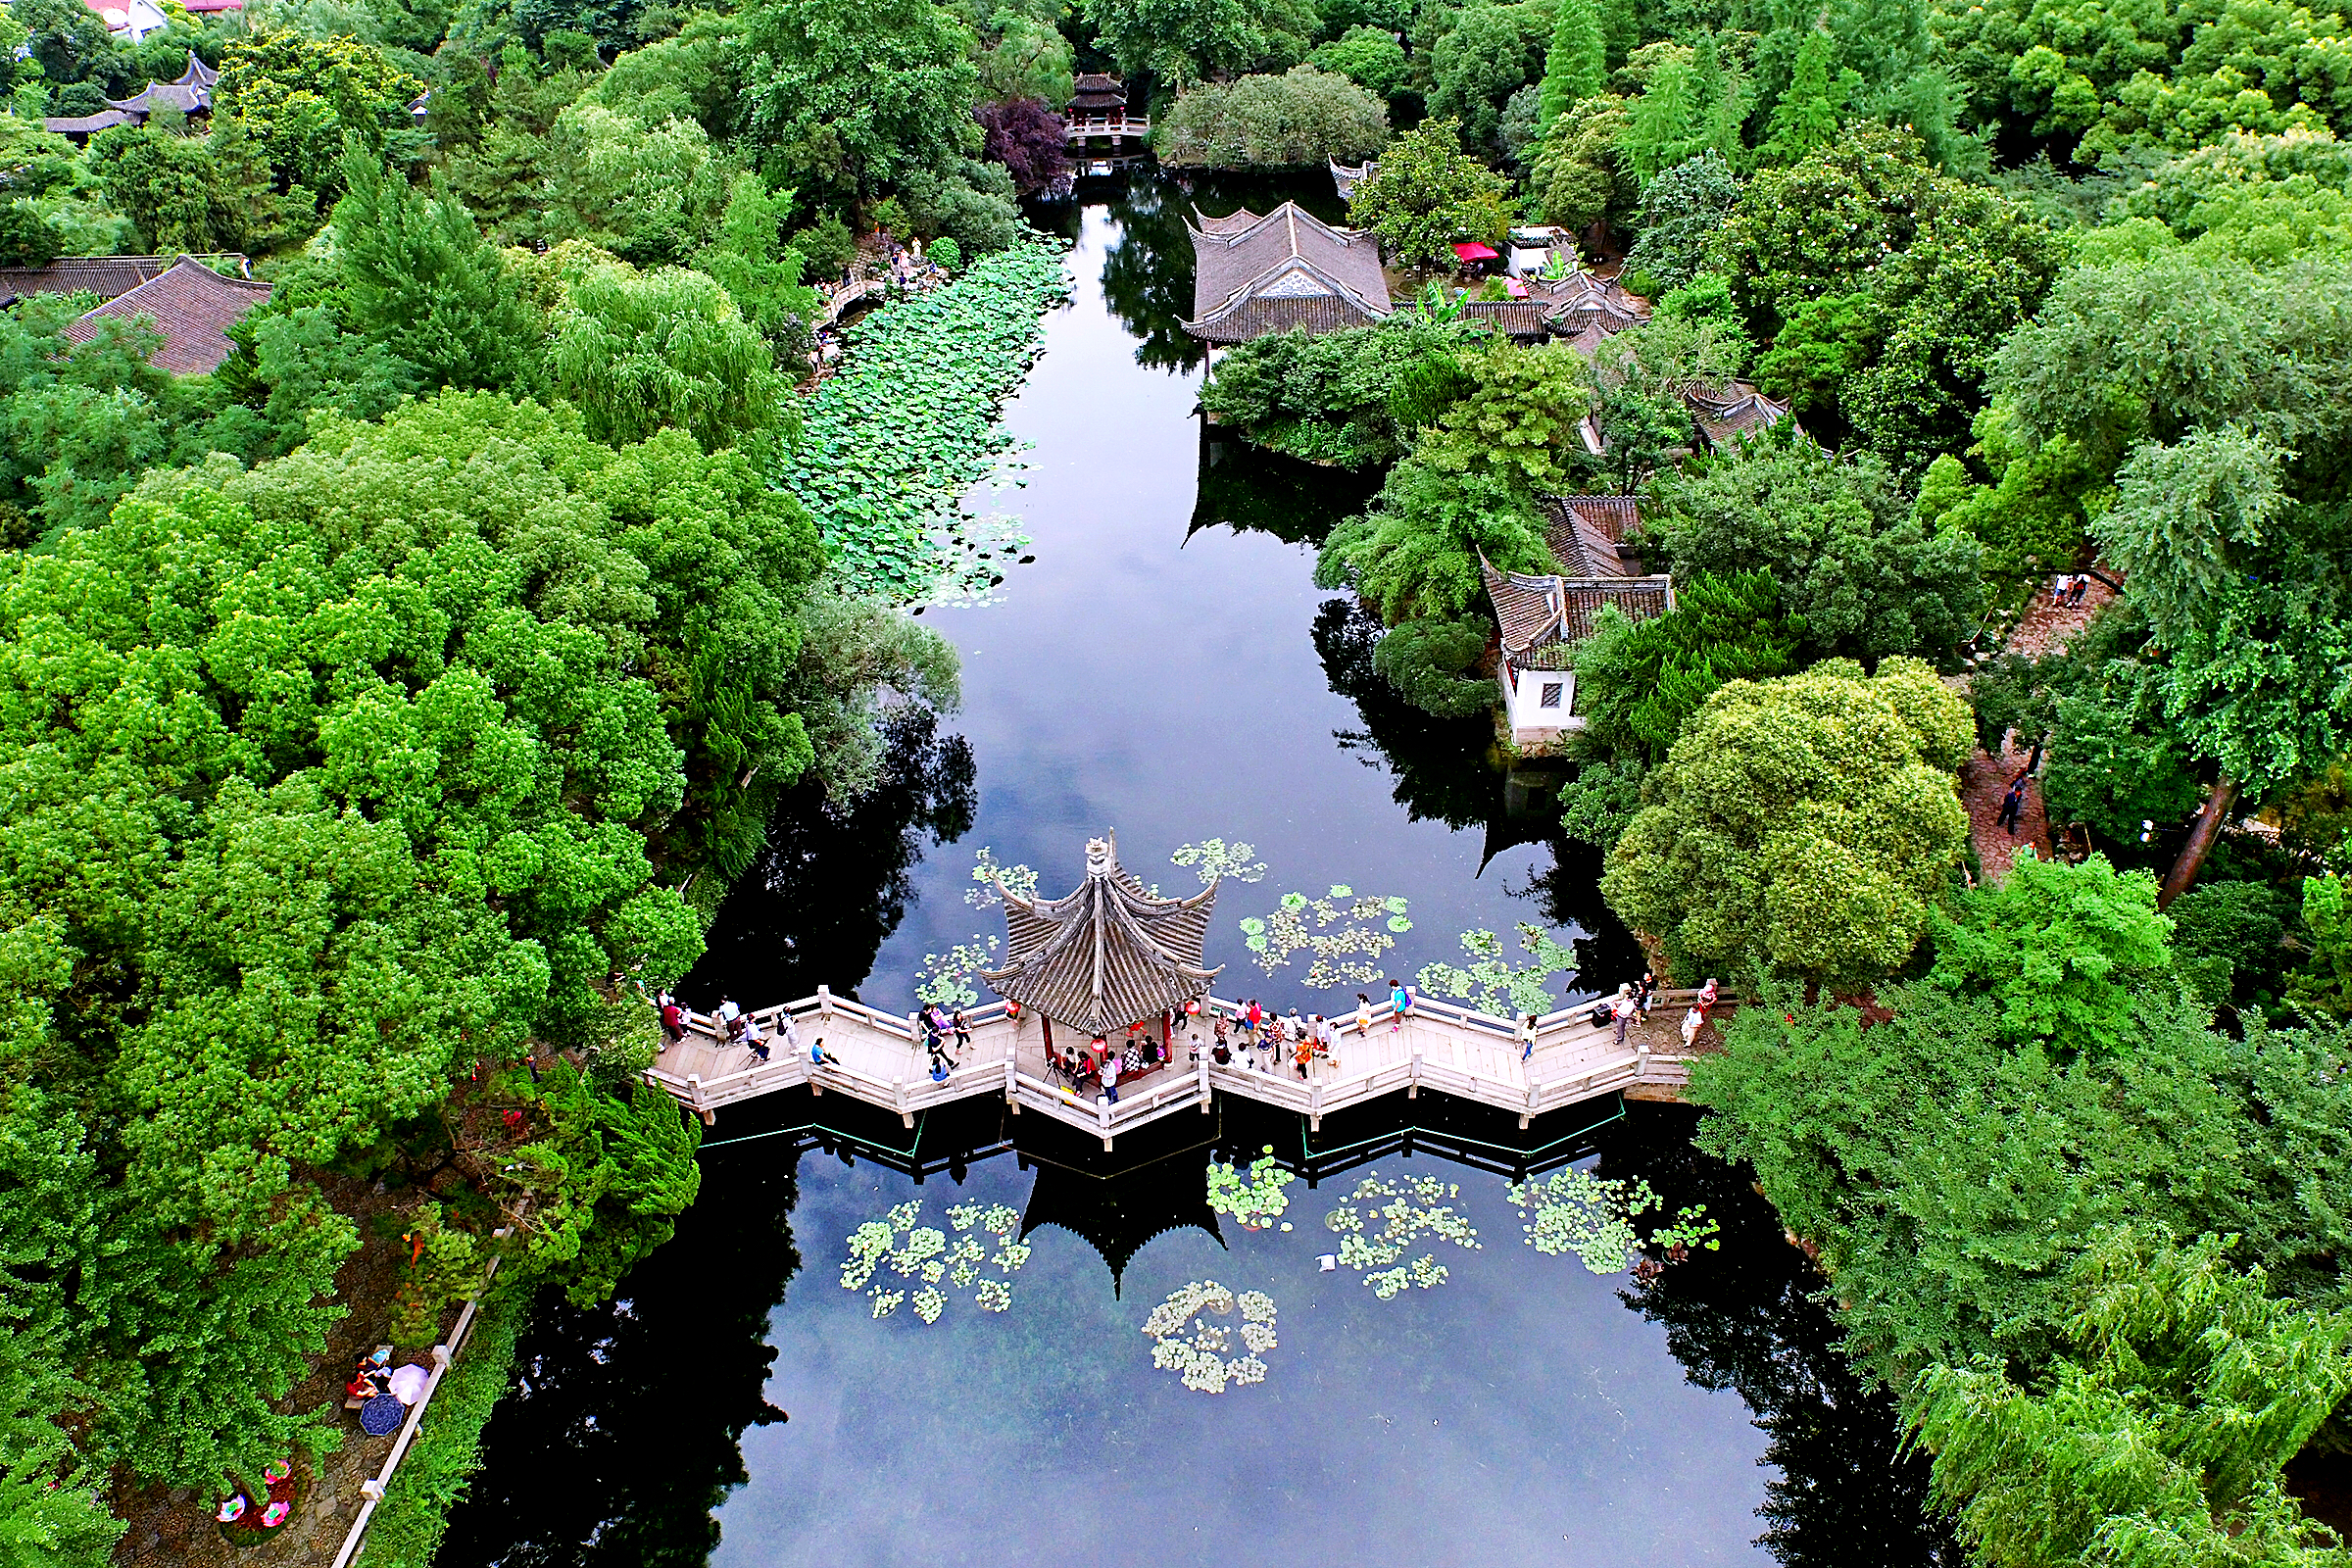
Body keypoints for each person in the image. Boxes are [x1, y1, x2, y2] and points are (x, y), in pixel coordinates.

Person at [1996, 769, 2030, 834]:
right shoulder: (2011, 795)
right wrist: (2005, 805)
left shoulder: (2018, 796)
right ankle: (1999, 823)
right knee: (2003, 815)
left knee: (2011, 820)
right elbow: (2006, 799)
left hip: (2013, 809)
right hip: (2007, 807)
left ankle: (2010, 831)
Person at [1610, 984, 1637, 1049]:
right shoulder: (1626, 1000)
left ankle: (1619, 1039)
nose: (1626, 997)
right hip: (1619, 1014)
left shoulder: (1631, 1005)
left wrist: (1616, 1010)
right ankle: (1619, 1033)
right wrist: (1616, 1003)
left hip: (1622, 1017)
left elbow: (1626, 1014)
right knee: (1620, 1026)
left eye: (1627, 997)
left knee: (1621, 1026)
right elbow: (1622, 1002)